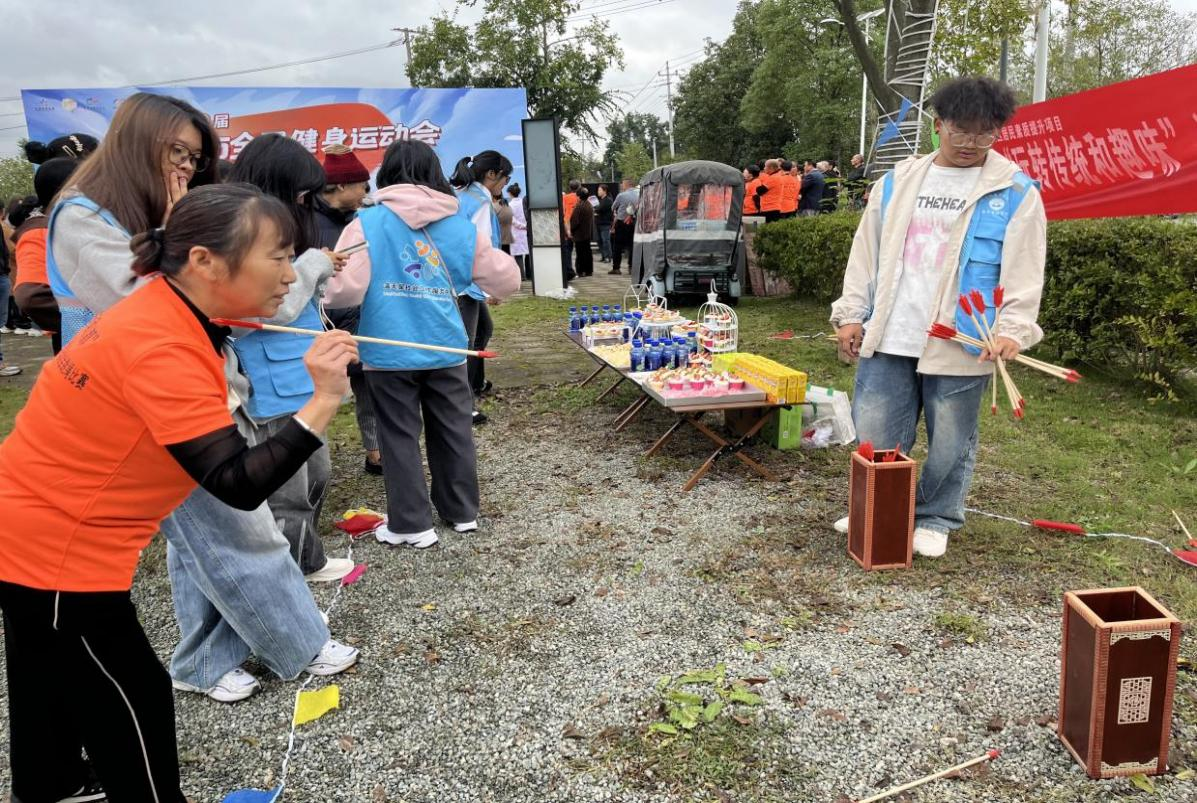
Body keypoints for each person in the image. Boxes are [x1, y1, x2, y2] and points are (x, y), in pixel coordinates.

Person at [0, 183, 359, 803]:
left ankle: (54, 783)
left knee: (45, 676)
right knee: (132, 697)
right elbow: (236, 484)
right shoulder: (163, 345)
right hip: (58, 547)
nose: (289, 273)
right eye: (277, 257)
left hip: (26, 520)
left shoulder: (164, 307)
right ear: (204, 261)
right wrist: (323, 399)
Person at [830, 76, 1046, 559]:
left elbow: (1025, 268)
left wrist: (1013, 329)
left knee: (951, 437)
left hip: (964, 336)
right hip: (891, 329)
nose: (971, 143)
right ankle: (879, 505)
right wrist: (851, 314)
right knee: (875, 429)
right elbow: (865, 254)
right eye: (960, 130)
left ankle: (935, 516)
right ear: (938, 124)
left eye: (985, 133)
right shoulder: (897, 181)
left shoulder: (1014, 191)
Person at [326, 139, 520, 548]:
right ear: (434, 173)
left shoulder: (367, 222)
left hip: (387, 346)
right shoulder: (459, 224)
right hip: (446, 344)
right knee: (453, 430)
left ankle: (412, 523)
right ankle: (462, 511)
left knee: (398, 435)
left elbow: (343, 292)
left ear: (387, 175)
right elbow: (506, 281)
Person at [226, 133, 353, 582]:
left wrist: (316, 267)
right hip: (270, 385)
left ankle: (305, 559)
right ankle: (289, 575)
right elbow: (259, 310)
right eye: (299, 195)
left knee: (316, 475)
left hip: (301, 378)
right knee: (287, 491)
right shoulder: (237, 233)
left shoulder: (272, 231)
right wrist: (313, 263)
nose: (305, 205)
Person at [48, 92, 219, 344]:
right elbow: (145, 303)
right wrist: (177, 232)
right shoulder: (80, 216)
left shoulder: (154, 211)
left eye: (195, 158)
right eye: (178, 151)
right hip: (111, 363)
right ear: (137, 145)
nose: (188, 166)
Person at [314, 143, 381, 474]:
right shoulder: (306, 221)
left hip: (363, 317)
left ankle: (375, 450)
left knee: (367, 386)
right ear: (341, 185)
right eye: (361, 186)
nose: (366, 193)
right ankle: (313, 455)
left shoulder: (364, 220)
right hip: (321, 323)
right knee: (320, 390)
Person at [451, 150, 512, 421]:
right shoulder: (480, 203)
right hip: (466, 284)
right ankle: (463, 405)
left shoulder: (464, 195)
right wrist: (491, 288)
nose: (505, 184)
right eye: (505, 178)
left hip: (461, 280)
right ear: (491, 174)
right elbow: (480, 249)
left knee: (483, 330)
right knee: (466, 345)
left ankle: (475, 383)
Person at [11, 158, 83, 355]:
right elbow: (31, 297)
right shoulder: (39, 232)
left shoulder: (75, 223)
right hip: (80, 340)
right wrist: (86, 318)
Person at [610, 178, 638, 275]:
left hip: (621, 223)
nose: (622, 185)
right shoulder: (640, 194)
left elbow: (613, 207)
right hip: (634, 223)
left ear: (626, 184)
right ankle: (631, 267)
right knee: (632, 245)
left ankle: (616, 268)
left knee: (617, 245)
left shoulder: (621, 195)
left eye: (622, 184)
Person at [569, 185, 595, 278]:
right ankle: (589, 270)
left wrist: (570, 230)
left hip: (579, 234)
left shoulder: (579, 207)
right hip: (587, 233)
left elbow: (574, 222)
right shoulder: (589, 205)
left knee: (580, 253)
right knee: (587, 252)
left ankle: (581, 271)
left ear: (579, 196)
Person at [508, 183, 530, 279]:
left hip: (516, 231)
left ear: (510, 193)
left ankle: (522, 276)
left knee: (518, 255)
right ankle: (530, 274)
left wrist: (522, 226)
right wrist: (526, 226)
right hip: (526, 231)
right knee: (528, 253)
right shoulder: (523, 202)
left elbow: (513, 220)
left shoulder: (510, 205)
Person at [561, 178, 580, 281]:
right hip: (579, 227)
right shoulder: (580, 198)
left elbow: (564, 213)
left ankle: (569, 271)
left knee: (568, 250)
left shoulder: (565, 198)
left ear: (569, 187)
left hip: (568, 226)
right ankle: (580, 270)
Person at [757, 159, 783, 223]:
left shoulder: (773, 178)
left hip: (769, 208)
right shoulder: (777, 176)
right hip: (773, 207)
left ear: (771, 168)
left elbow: (760, 191)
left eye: (765, 166)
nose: (764, 168)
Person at [595, 184, 614, 262]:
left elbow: (599, 209)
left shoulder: (608, 200)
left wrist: (596, 210)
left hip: (605, 223)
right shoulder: (600, 200)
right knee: (599, 240)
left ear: (605, 191)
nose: (598, 192)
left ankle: (608, 256)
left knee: (605, 240)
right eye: (598, 190)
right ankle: (603, 256)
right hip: (599, 223)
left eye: (600, 190)